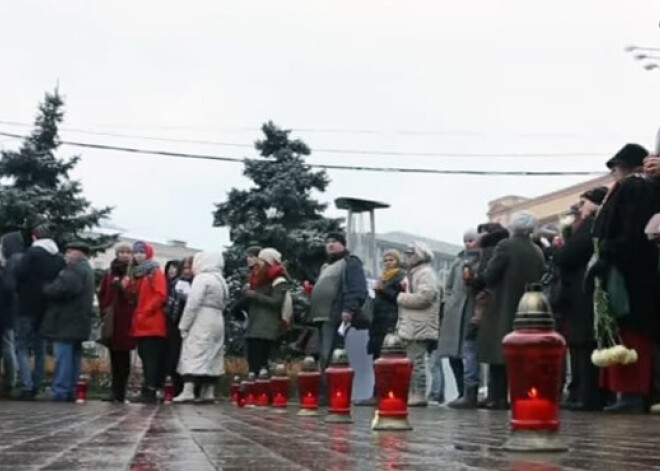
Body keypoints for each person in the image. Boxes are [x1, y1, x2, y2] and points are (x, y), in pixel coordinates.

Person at [590, 143, 659, 413]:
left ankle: (629, 394)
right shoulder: (641, 187)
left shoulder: (635, 188)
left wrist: (608, 253)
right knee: (625, 329)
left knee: (629, 329)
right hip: (636, 269)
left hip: (630, 271)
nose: (613, 173)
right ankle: (627, 394)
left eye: (616, 167)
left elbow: (629, 229)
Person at [475, 211, 545, 410]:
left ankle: (496, 397)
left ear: (513, 227)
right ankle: (518, 396)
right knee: (520, 357)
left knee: (499, 352)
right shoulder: (537, 251)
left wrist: (478, 277)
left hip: (503, 305)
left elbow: (490, 275)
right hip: (528, 308)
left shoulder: (506, 246)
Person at [553, 187, 608, 411]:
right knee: (578, 344)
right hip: (581, 293)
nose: (579, 208)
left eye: (582, 203)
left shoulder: (592, 225)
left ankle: (586, 395)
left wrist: (561, 248)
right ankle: (580, 392)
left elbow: (567, 256)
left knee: (583, 343)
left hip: (583, 293)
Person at [14, 224, 65, 399]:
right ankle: (36, 384)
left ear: (35, 237)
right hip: (46, 308)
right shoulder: (58, 258)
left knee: (21, 346)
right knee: (40, 349)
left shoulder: (32, 253)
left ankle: (26, 385)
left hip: (26, 305)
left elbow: (20, 274)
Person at [40, 242, 95, 401]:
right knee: (73, 358)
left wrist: (46, 288)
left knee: (63, 357)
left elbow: (62, 289)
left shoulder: (75, 270)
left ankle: (60, 390)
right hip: (78, 322)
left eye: (70, 252)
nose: (67, 255)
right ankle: (70, 389)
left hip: (66, 322)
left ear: (79, 253)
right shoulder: (86, 269)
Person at [174, 252, 228, 403]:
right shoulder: (221, 280)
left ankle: (188, 390)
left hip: (202, 317)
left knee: (194, 351)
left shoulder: (202, 278)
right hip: (217, 318)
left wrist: (183, 325)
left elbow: (193, 303)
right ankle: (208, 391)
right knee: (213, 353)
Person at [309, 233, 367, 370]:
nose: (330, 244)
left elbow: (357, 288)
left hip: (335, 316)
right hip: (320, 318)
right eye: (327, 242)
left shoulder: (350, 262)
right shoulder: (326, 266)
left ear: (343, 244)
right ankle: (324, 386)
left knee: (331, 354)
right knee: (322, 355)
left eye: (334, 241)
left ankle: (331, 388)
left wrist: (348, 309)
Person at [438, 229, 481, 408]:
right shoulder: (457, 262)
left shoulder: (482, 260)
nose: (468, 244)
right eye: (466, 240)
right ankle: (460, 392)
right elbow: (448, 286)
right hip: (454, 313)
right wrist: (449, 302)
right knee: (453, 355)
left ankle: (471, 393)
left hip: (472, 310)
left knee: (469, 353)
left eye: (471, 240)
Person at [397, 242, 441, 407]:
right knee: (413, 361)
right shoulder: (415, 273)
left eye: (411, 254)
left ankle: (418, 394)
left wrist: (401, 298)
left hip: (419, 323)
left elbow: (426, 296)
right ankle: (414, 393)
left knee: (417, 361)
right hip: (414, 322)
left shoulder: (425, 273)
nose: (407, 257)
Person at [97, 242, 137, 403]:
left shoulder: (133, 272)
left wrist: (122, 288)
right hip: (112, 318)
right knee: (114, 355)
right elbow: (103, 293)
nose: (125, 255)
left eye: (128, 252)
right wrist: (104, 310)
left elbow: (134, 295)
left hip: (127, 318)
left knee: (124, 356)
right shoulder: (109, 272)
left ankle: (121, 391)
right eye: (121, 252)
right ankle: (114, 390)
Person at [131, 241, 167, 403]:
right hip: (142, 323)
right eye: (136, 252)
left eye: (141, 252)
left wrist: (146, 311)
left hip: (151, 323)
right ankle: (148, 388)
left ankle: (150, 390)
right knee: (145, 357)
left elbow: (161, 294)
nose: (138, 256)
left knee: (150, 359)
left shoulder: (154, 272)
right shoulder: (140, 274)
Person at [244, 248, 288, 374]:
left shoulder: (278, 280)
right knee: (252, 364)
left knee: (261, 364)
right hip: (253, 326)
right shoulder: (256, 279)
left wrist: (255, 295)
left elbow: (276, 302)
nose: (259, 263)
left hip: (266, 327)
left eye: (262, 260)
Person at [163, 257, 193, 397]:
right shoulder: (175, 284)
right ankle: (173, 388)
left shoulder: (197, 283)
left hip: (192, 326)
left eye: (189, 268)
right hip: (174, 324)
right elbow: (169, 305)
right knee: (173, 356)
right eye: (184, 268)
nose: (186, 271)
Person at [368, 250, 405, 360]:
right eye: (385, 260)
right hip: (378, 319)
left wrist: (383, 289)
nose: (388, 263)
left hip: (391, 319)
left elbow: (400, 296)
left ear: (397, 261)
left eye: (391, 260)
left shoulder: (401, 276)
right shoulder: (383, 277)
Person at [0, 231, 25, 395]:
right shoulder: (17, 263)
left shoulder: (9, 266)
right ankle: (11, 379)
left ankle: (10, 380)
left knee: (7, 346)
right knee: (8, 345)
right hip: (8, 313)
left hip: (3, 314)